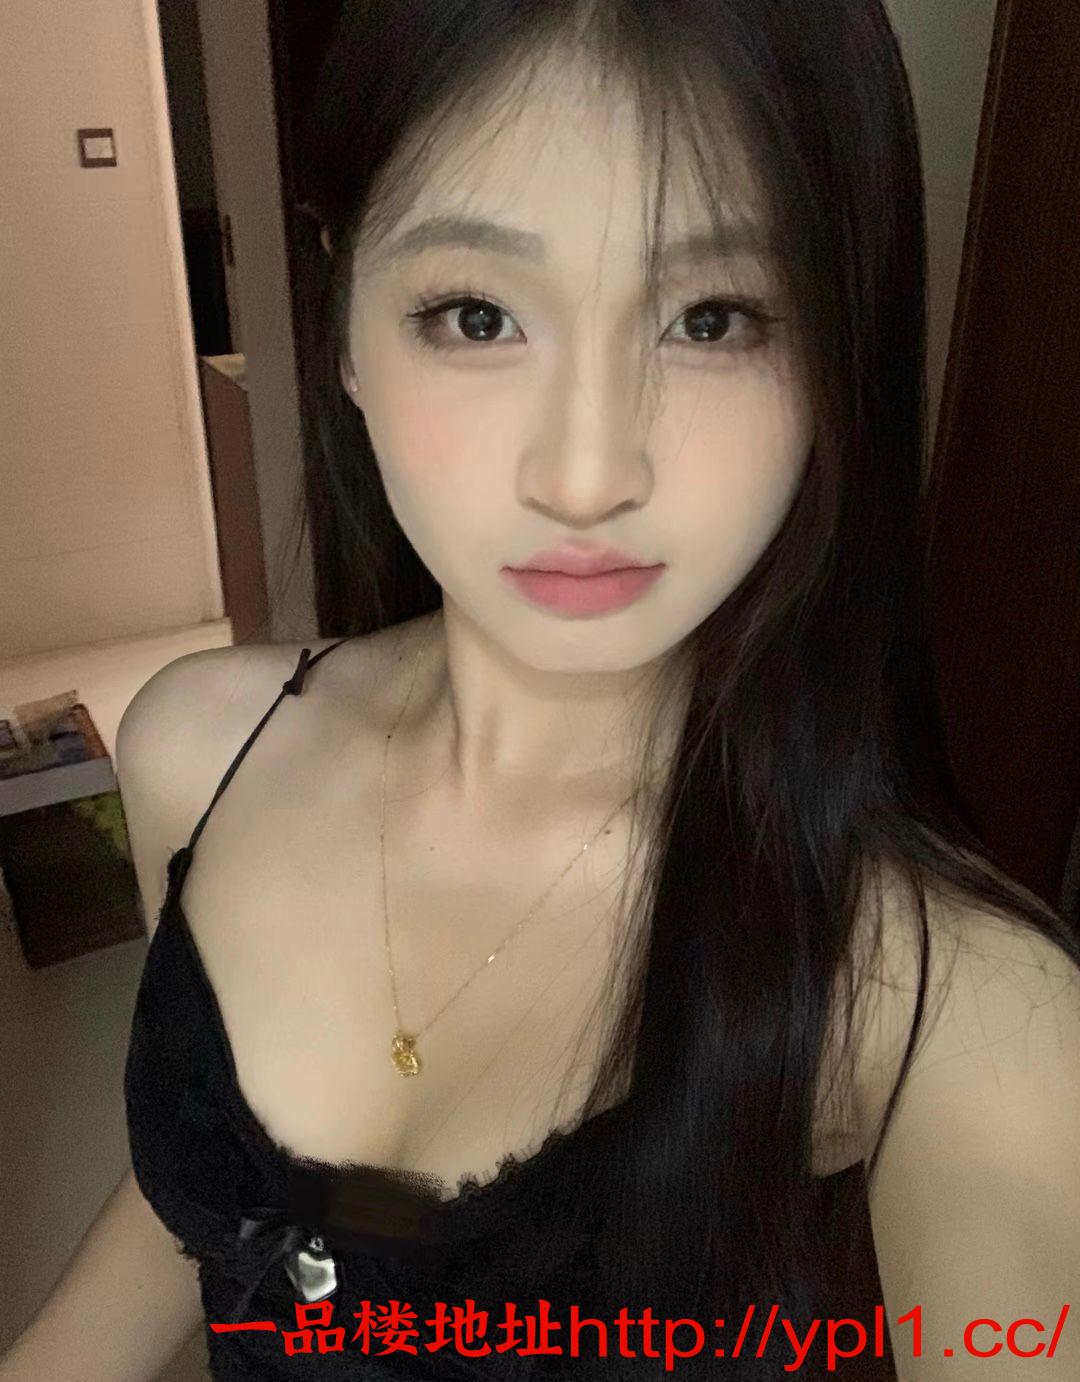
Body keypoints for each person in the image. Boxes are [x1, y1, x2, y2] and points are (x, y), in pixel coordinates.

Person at [4, 1, 1079, 1378]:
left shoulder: (948, 1002)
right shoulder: (196, 751)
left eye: (710, 319)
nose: (585, 474)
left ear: (836, 356)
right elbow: (217, 1202)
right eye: (477, 315)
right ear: (347, 331)